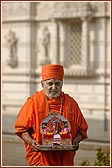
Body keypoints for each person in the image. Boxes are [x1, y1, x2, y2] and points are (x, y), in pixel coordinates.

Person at [15, 64, 88, 166]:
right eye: (50, 83)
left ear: (62, 84)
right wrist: (31, 142)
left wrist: (75, 141)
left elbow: (82, 130)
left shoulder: (71, 103)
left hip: (64, 157)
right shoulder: (33, 102)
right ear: (42, 84)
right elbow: (22, 130)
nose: (54, 87)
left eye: (57, 83)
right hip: (41, 157)